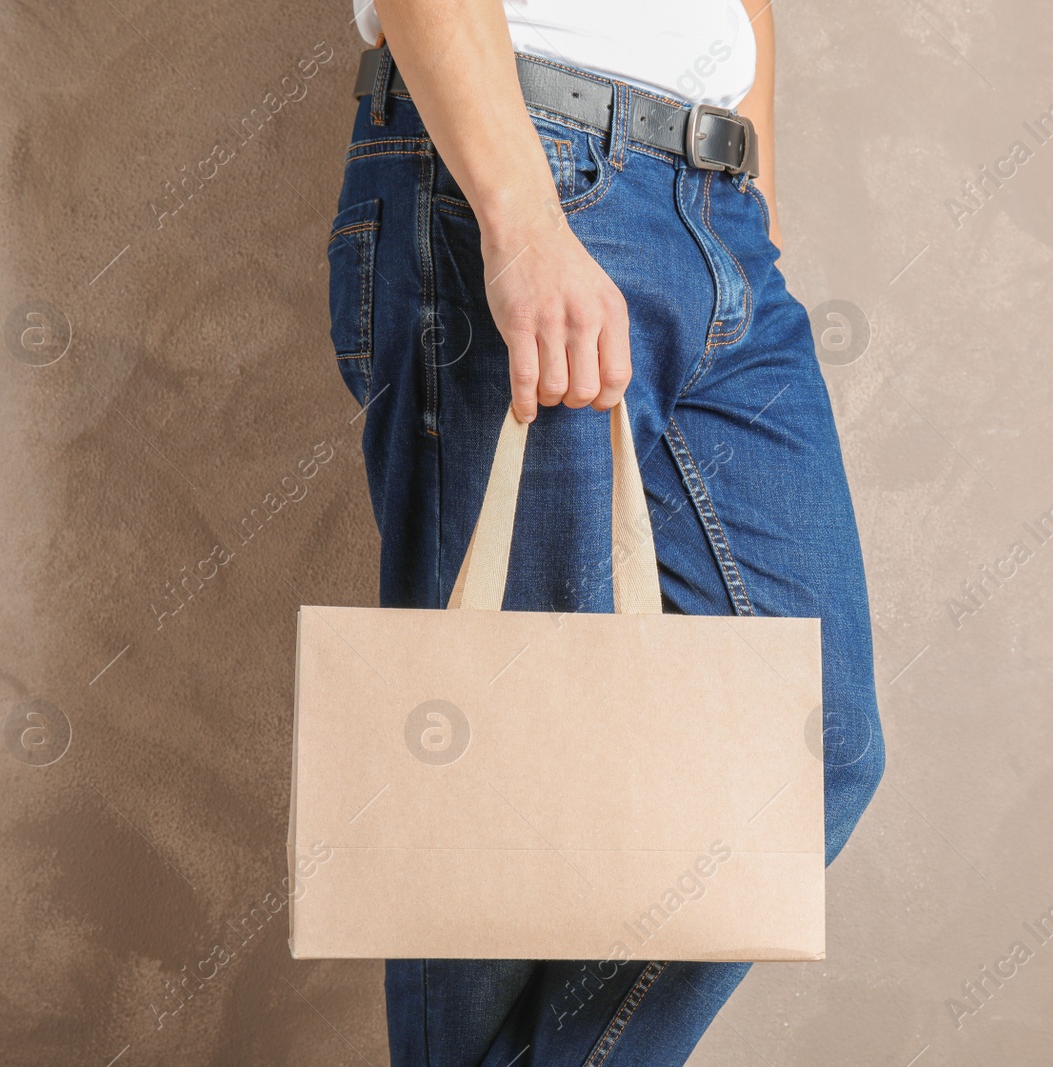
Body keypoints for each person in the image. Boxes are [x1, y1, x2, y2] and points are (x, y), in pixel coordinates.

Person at [326, 1, 886, 1063]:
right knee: (496, 801)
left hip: (712, 210)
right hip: (531, 159)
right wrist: (523, 221)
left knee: (816, 739)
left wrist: (744, 200)